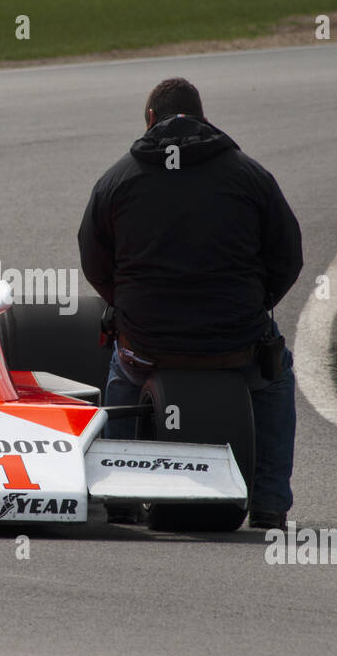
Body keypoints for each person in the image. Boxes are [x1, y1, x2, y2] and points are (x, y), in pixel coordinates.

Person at [78, 78, 303, 530]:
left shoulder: (116, 179)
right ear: (203, 117)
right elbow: (289, 257)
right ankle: (270, 502)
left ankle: (118, 494)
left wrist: (124, 308)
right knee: (277, 377)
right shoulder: (251, 176)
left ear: (149, 119)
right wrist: (259, 306)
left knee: (120, 371)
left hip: (147, 345)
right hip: (235, 343)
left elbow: (93, 261)